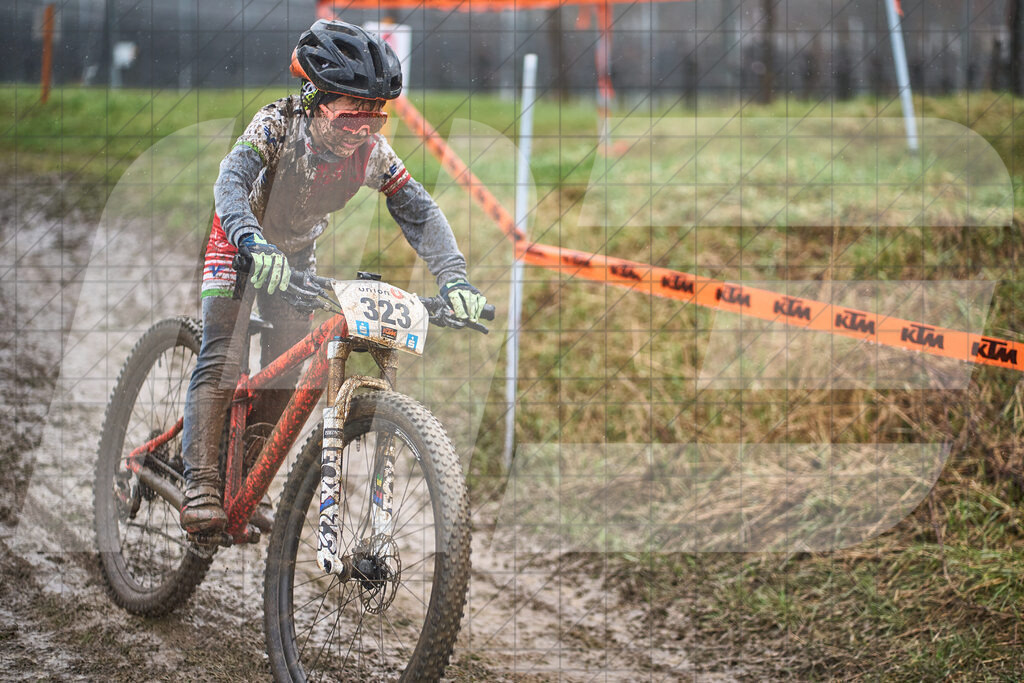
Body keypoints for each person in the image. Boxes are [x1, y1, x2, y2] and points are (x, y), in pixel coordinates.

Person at [179, 19, 487, 534]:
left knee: (280, 370)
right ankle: (202, 483)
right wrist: (250, 241)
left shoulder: (370, 152)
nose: (362, 131)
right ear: (314, 100)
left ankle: (245, 478)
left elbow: (418, 210)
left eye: (375, 119)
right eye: (349, 119)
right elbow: (230, 180)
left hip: (297, 252)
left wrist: (454, 277)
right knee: (223, 356)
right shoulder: (276, 125)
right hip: (238, 241)